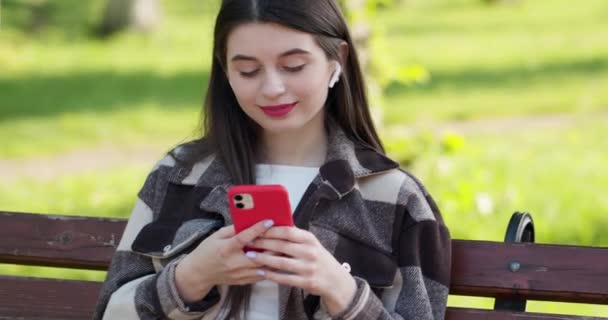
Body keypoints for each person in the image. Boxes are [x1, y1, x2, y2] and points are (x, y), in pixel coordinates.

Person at [93, 0, 451, 319]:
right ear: (225, 70)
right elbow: (111, 312)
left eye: (293, 65)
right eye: (248, 71)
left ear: (336, 60)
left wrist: (341, 291)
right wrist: (191, 277)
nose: (271, 88)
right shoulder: (178, 175)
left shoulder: (395, 198)